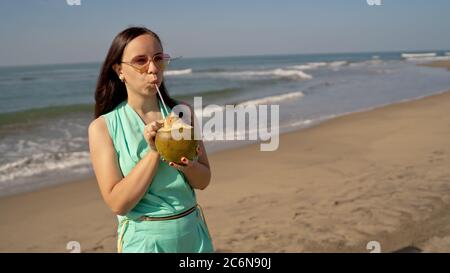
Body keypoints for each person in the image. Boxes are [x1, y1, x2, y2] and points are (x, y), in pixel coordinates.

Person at [88, 26, 214, 253]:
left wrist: (188, 165)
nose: (153, 68)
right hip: (146, 243)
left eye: (158, 59)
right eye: (140, 61)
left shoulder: (182, 112)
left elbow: (203, 180)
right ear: (119, 70)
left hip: (194, 236)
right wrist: (155, 152)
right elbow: (118, 203)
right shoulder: (103, 127)